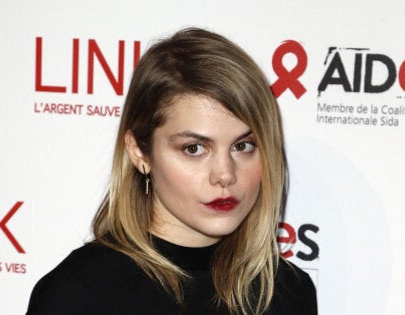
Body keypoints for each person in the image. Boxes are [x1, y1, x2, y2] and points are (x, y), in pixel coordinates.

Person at [26, 27, 317, 315]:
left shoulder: (287, 291)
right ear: (140, 152)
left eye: (243, 146)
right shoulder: (78, 295)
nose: (225, 174)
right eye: (194, 149)